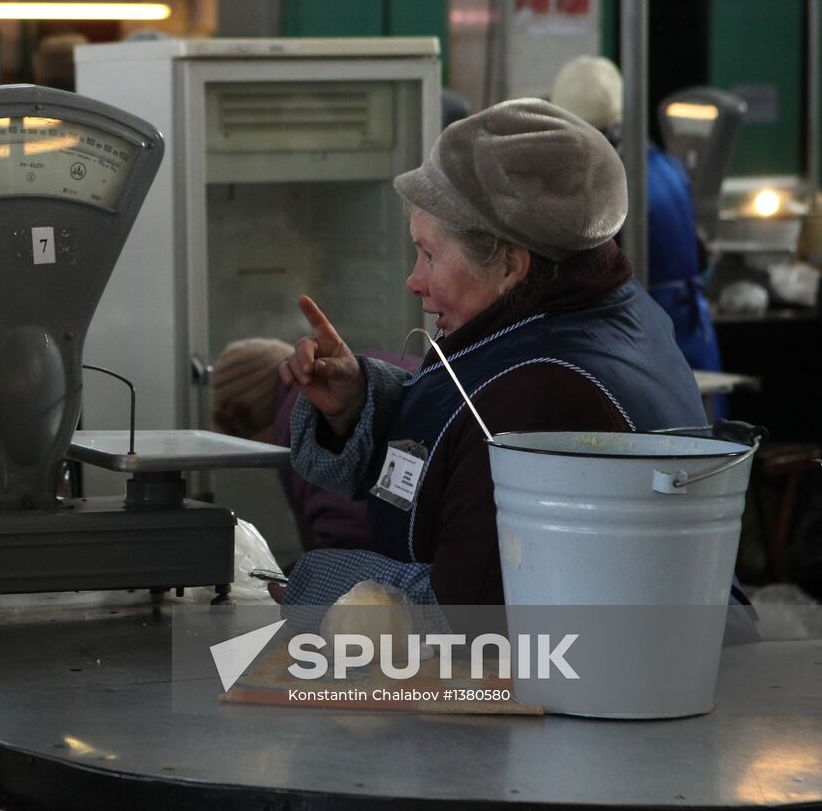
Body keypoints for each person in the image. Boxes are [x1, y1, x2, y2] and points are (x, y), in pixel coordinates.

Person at [277, 99, 707, 610]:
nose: (414, 281)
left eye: (430, 255)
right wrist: (358, 404)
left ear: (509, 265)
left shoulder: (539, 396)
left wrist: (302, 588)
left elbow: (467, 613)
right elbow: (453, 453)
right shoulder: (600, 314)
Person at [550, 55, 724, 380]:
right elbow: (700, 252)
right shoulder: (665, 164)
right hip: (692, 330)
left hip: (646, 336)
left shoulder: (606, 182)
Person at [211, 338, 367, 552]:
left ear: (253, 415)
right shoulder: (364, 372)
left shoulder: (302, 418)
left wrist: (295, 581)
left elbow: (345, 537)